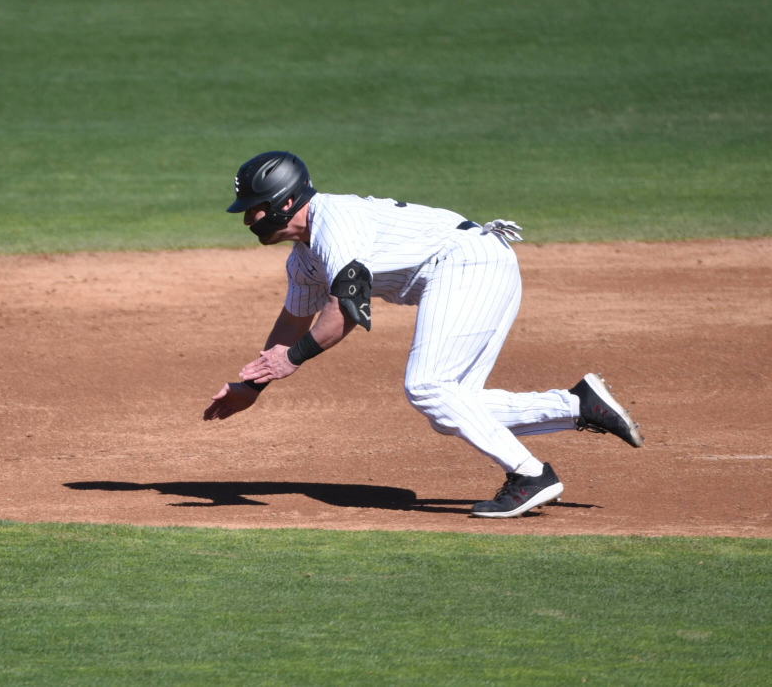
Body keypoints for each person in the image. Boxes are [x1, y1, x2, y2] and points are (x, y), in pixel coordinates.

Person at [202, 151, 642, 518]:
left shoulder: (336, 223)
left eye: (255, 209)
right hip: (473, 266)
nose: (249, 220)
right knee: (449, 408)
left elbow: (346, 309)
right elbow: (293, 321)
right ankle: (578, 405)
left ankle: (530, 475)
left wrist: (292, 359)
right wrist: (253, 384)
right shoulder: (304, 259)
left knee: (427, 387)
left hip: (469, 263)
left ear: (284, 201)